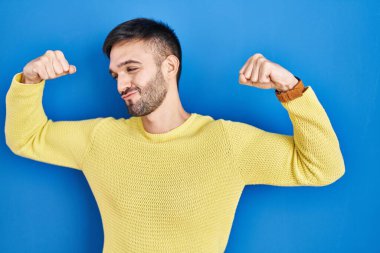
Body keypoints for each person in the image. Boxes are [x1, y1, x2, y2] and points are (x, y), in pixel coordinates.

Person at [5, 17, 345, 253]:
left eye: (131, 69)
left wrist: (290, 88)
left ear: (170, 67)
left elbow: (323, 168)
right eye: (115, 75)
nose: (121, 84)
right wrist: (31, 80)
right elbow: (26, 138)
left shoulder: (226, 142)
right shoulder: (101, 138)